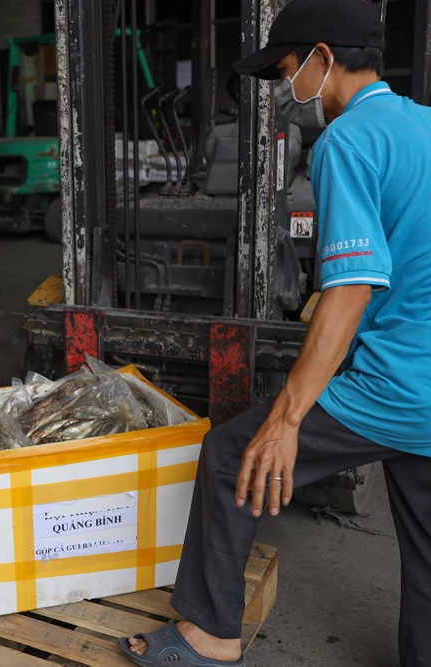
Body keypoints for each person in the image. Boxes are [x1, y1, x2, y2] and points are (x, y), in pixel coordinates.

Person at [119, 1, 431, 665]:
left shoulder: (348, 141)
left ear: (324, 58)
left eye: (287, 71)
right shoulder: (424, 125)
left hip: (402, 384)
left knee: (231, 453)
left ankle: (212, 634)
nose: (286, 89)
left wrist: (286, 420)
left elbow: (350, 290)